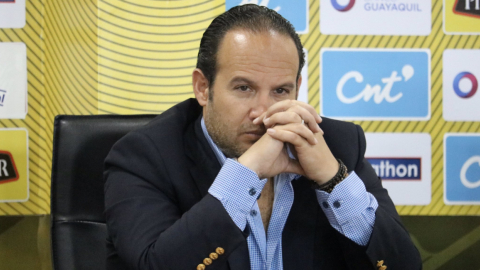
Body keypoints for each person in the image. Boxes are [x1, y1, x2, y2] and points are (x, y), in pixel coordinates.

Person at [104, 4, 422, 270]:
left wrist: (332, 179)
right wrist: (246, 172)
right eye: (244, 88)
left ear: (297, 88)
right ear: (203, 87)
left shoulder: (336, 144)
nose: (263, 113)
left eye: (280, 91)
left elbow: (404, 265)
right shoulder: (144, 156)